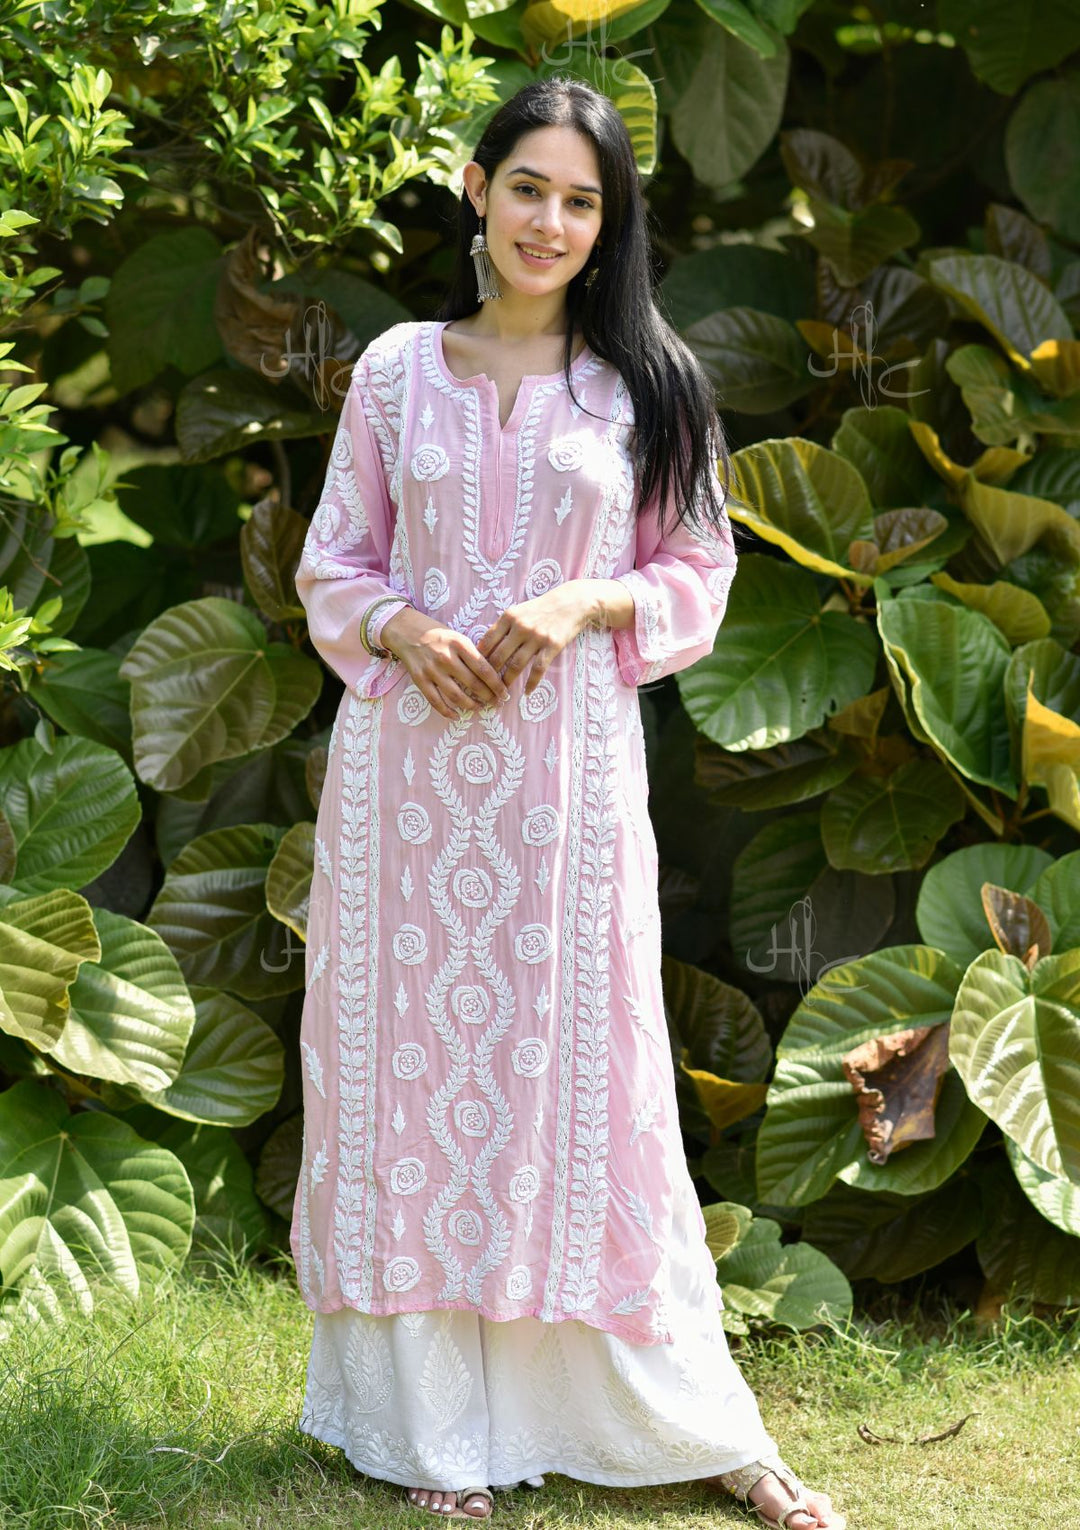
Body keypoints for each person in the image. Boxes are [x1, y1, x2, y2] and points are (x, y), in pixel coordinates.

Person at [289, 75, 845, 1530]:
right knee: (412, 1078)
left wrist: (586, 597)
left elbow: (699, 571)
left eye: (582, 201)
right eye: (528, 188)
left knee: (591, 1085)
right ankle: (435, 1432)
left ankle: (689, 1419)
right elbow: (335, 562)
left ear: (611, 224)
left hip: (567, 792)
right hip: (408, 789)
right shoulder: (395, 373)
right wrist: (404, 626)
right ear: (476, 191)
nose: (550, 222)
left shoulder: (649, 385)